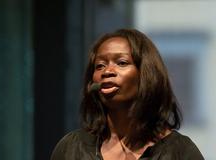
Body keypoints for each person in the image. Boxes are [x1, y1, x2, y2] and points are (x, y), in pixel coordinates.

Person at [50, 29, 204, 160]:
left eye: (121, 63)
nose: (107, 72)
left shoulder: (180, 152)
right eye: (100, 65)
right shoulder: (71, 148)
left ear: (146, 74)